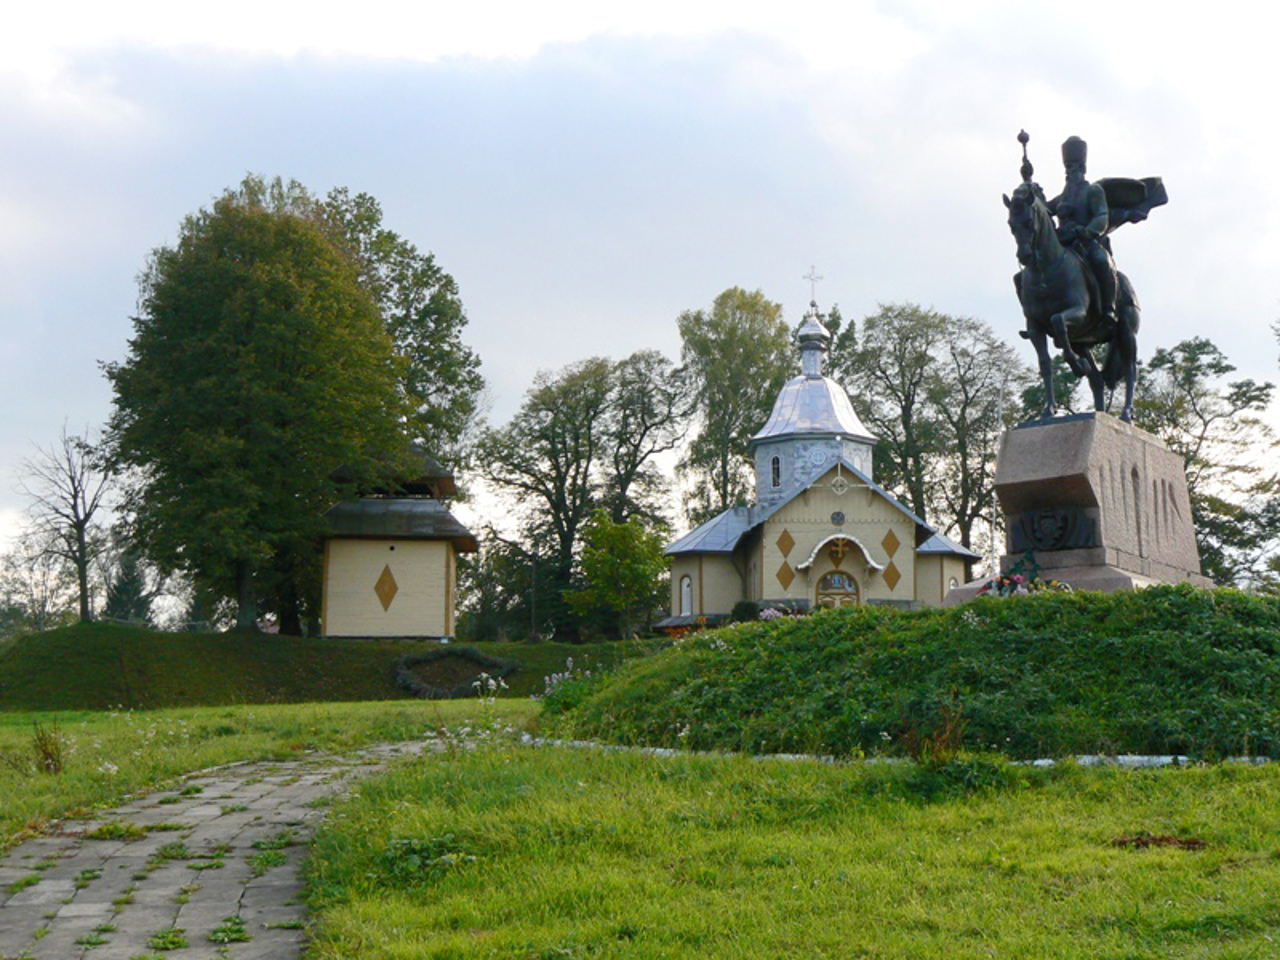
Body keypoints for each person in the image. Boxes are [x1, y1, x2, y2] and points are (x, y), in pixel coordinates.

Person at [1047, 136, 1118, 326]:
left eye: (1073, 167)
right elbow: (1045, 210)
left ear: (1082, 169)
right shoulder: (1062, 196)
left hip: (1086, 243)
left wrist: (1087, 231)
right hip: (1064, 245)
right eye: (1067, 167)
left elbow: (1102, 215)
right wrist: (1030, 190)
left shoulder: (1093, 191)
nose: (1069, 172)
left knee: (1101, 260)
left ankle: (1109, 309)